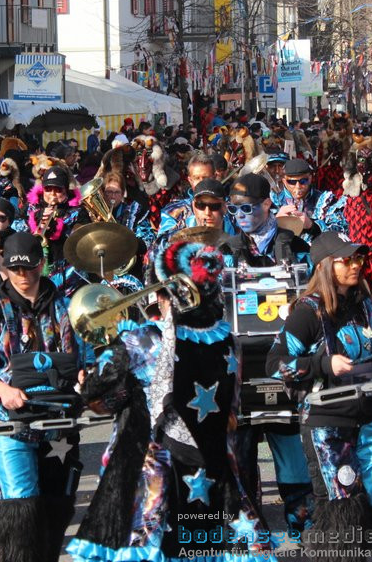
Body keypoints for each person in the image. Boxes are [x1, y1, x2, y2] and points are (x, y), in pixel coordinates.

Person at [68, 241, 271, 562]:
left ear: (163, 294)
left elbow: (96, 394)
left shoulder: (142, 339)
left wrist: (88, 384)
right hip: (214, 467)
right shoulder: (228, 338)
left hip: (160, 472)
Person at [0, 232, 91, 562]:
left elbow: (87, 357)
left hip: (60, 424)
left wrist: (84, 375)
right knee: (20, 508)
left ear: (42, 265)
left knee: (56, 507)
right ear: (6, 269)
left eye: (29, 268)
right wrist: (3, 390)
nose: (22, 276)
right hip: (11, 426)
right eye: (15, 270)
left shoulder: (67, 308)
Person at [268, 232, 372, 558]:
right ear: (326, 265)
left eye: (359, 258)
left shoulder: (363, 303)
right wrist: (323, 364)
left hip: (365, 417)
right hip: (327, 422)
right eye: (347, 260)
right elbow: (275, 365)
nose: (356, 265)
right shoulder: (307, 312)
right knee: (343, 509)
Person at [220, 173, 307, 267]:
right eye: (233, 209)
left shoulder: (294, 245)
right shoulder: (228, 249)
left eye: (246, 208)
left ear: (266, 204)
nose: (239, 215)